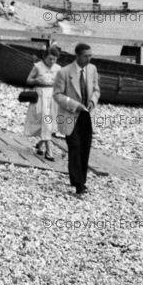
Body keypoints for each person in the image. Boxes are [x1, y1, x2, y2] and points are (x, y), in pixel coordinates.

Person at [53, 43, 100, 196]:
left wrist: (93, 101)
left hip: (86, 116)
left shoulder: (92, 69)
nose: (89, 58)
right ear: (77, 56)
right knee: (74, 148)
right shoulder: (64, 72)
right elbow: (57, 95)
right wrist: (75, 105)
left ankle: (81, 180)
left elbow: (96, 89)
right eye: (86, 56)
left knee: (85, 148)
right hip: (69, 115)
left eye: (90, 55)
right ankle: (78, 185)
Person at [25, 47, 62, 161]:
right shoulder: (38, 66)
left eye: (54, 60)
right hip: (41, 95)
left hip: (52, 96)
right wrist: (36, 81)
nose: (52, 62)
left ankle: (40, 144)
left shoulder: (58, 68)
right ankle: (49, 151)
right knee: (45, 121)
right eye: (50, 59)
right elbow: (28, 80)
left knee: (49, 122)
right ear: (45, 57)